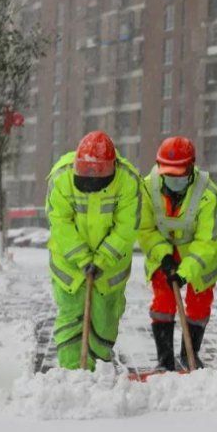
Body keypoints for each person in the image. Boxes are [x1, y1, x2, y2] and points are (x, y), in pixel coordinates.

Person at [46, 131, 142, 371]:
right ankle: (71, 372)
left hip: (110, 267)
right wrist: (82, 258)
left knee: (105, 320)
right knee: (71, 316)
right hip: (69, 263)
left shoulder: (128, 180)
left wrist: (101, 260)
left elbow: (127, 228)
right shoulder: (61, 177)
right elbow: (60, 223)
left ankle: (98, 371)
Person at [139, 136, 217, 371]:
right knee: (163, 304)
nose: (174, 179)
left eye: (180, 174)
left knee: (198, 305)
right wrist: (164, 256)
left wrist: (185, 272)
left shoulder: (209, 194)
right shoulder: (147, 188)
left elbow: (208, 241)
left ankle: (190, 354)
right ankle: (164, 359)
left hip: (199, 259)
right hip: (164, 255)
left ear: (191, 167)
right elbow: (145, 229)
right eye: (169, 173)